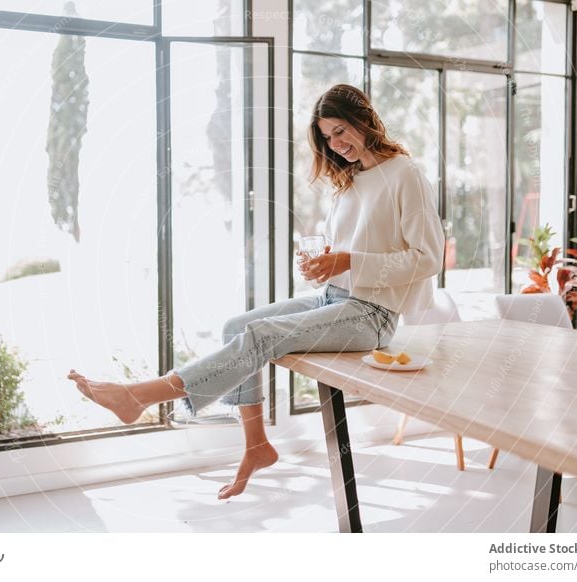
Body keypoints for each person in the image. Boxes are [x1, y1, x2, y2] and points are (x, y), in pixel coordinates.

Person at [67, 83, 445, 500]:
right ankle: (257, 445)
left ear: (364, 119)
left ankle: (140, 396)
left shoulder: (405, 174)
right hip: (335, 299)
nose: (337, 145)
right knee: (238, 324)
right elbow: (348, 252)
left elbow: (428, 258)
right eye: (328, 137)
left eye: (341, 131)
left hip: (373, 315)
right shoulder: (349, 181)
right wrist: (324, 264)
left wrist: (350, 260)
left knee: (261, 336)